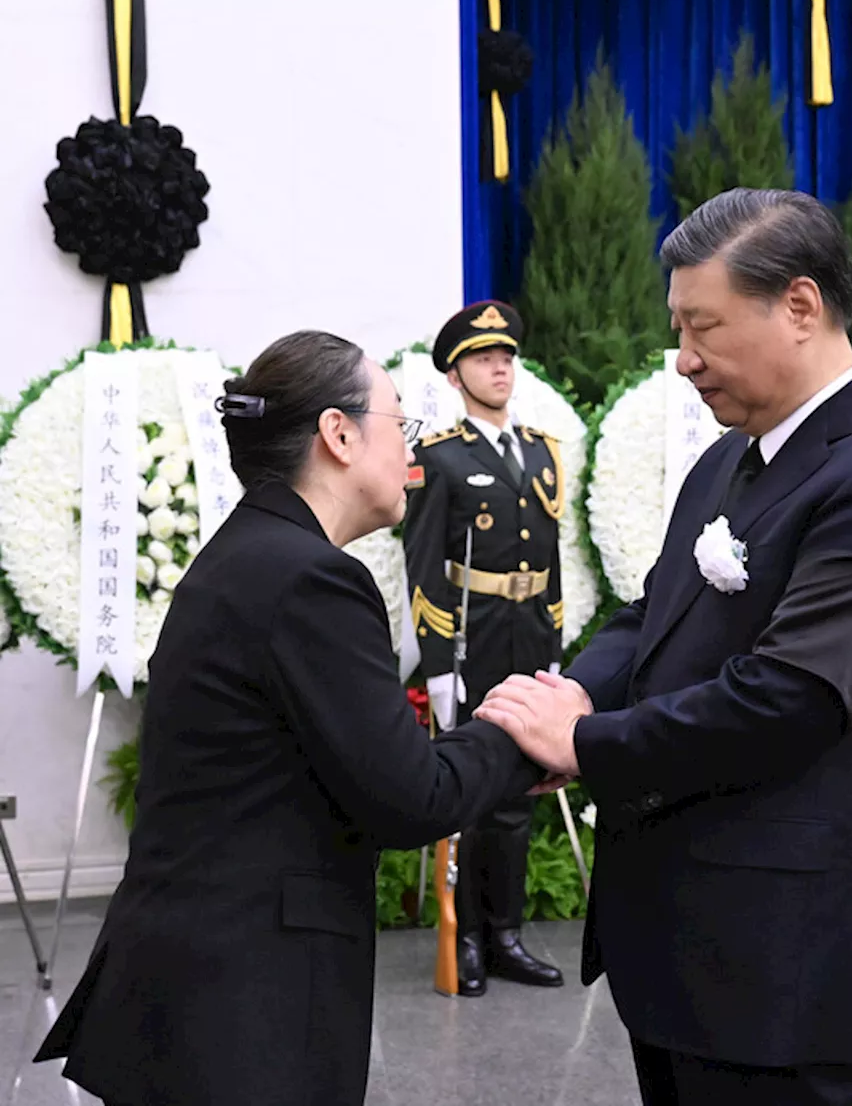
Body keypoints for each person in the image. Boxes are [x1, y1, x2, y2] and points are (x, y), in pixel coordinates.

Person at [476, 188, 852, 1105]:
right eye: (677, 327)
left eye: (703, 327)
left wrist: (584, 747)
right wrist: (575, 696)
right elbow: (651, 614)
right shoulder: (732, 455)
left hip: (794, 972)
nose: (683, 358)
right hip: (691, 955)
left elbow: (793, 696)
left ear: (800, 306)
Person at [34, 331, 543, 1106]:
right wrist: (524, 730)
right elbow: (412, 798)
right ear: (339, 434)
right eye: (398, 426)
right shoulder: (311, 579)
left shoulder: (249, 552)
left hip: (194, 984)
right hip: (243, 1007)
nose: (410, 453)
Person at [402, 300, 565, 996]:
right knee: (470, 791)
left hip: (527, 631)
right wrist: (438, 665)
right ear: (455, 373)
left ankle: (505, 934)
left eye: (506, 357)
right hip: (470, 638)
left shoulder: (540, 448)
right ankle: (463, 935)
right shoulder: (438, 457)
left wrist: (553, 644)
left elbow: (551, 553)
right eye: (482, 358)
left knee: (520, 789)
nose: (499, 367)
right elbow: (422, 564)